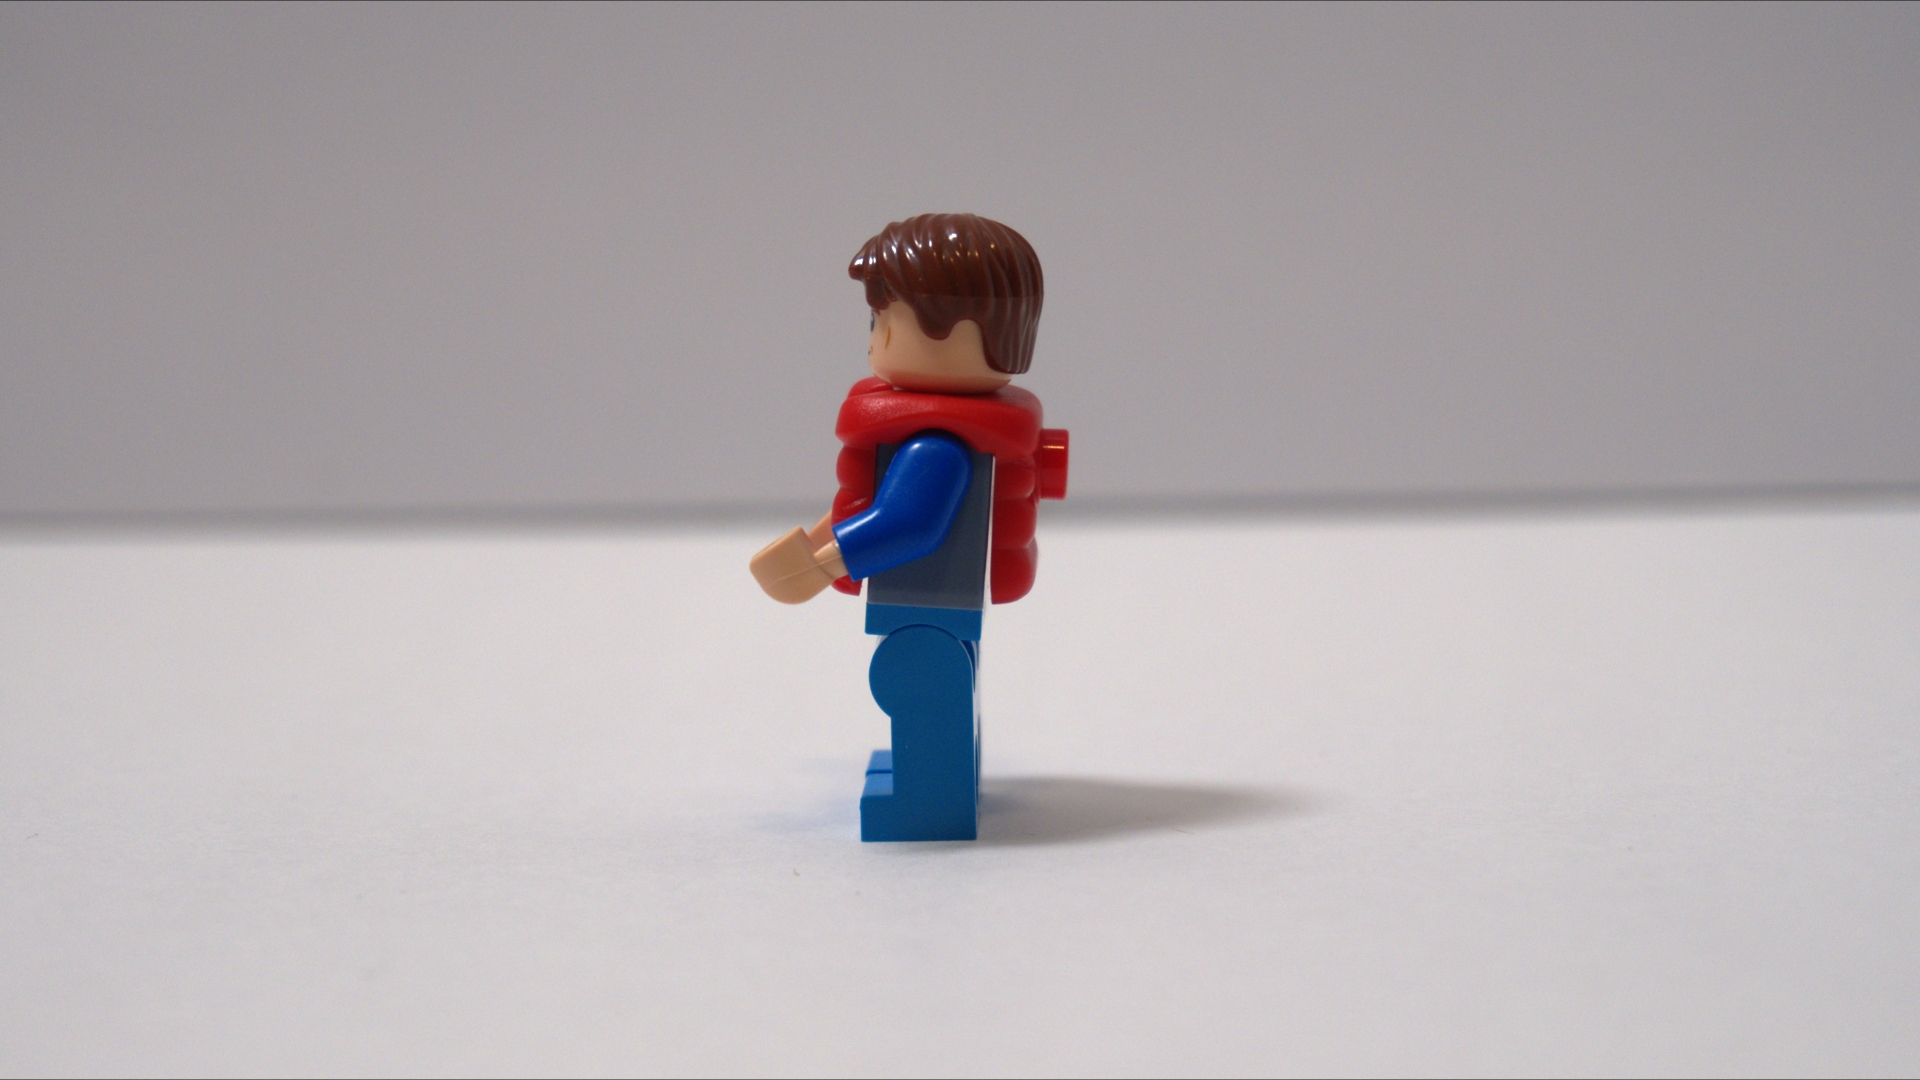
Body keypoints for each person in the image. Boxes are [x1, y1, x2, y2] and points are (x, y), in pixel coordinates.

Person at [750, 213, 1067, 841]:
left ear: (959, 332)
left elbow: (907, 525)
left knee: (917, 679)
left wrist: (822, 564)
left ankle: (926, 802)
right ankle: (943, 783)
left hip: (924, 594)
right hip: (940, 600)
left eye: (881, 322)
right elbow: (870, 505)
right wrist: (823, 537)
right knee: (948, 682)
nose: (875, 337)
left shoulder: (935, 448)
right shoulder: (935, 431)